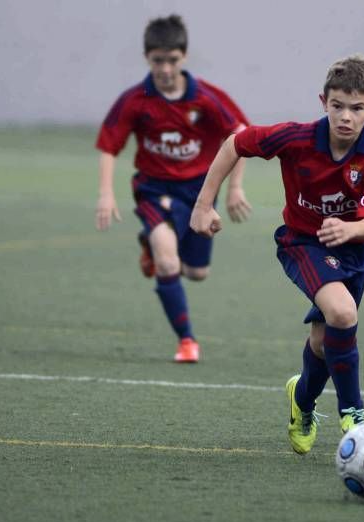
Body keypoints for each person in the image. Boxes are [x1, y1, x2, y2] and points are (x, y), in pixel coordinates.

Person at [190, 54, 364, 454]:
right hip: (302, 243)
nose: (346, 117)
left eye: (357, 108)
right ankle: (353, 409)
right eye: (338, 106)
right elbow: (236, 142)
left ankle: (301, 400)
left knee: (322, 342)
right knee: (343, 313)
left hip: (352, 252)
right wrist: (203, 203)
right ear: (323, 102)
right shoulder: (297, 138)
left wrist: (351, 228)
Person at [94, 14, 251, 364]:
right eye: (157, 60)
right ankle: (187, 341)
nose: (165, 68)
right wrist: (106, 193)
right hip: (153, 189)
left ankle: (153, 249)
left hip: (199, 193)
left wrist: (234, 188)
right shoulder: (135, 100)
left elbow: (240, 136)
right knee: (168, 261)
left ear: (184, 57)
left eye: (172, 60)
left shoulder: (207, 98)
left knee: (196, 273)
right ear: (147, 58)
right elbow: (108, 145)